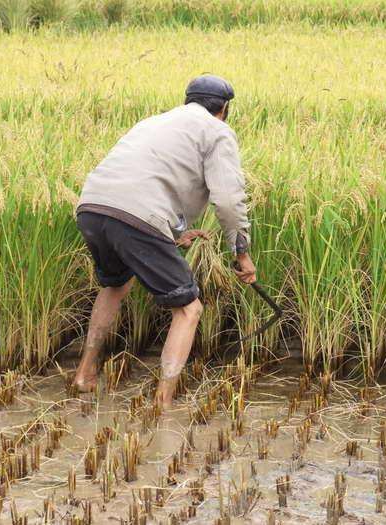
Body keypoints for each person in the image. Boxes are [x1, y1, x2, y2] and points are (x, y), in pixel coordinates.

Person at [72, 75, 256, 408]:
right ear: (224, 108)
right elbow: (228, 200)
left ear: (189, 100)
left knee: (115, 285)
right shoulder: (217, 131)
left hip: (93, 207)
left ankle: (84, 374)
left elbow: (144, 176)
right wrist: (241, 252)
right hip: (138, 215)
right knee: (188, 308)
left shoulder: (154, 121)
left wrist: (170, 234)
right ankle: (164, 401)